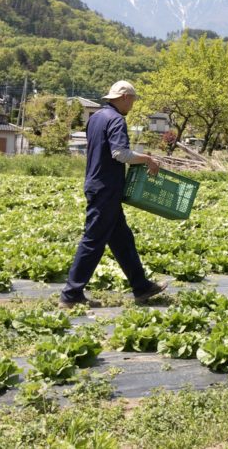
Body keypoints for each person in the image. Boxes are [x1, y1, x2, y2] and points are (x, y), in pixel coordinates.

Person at [60, 80, 166, 308]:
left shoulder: (96, 118)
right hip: (106, 187)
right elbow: (120, 153)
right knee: (93, 240)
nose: (133, 105)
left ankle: (141, 287)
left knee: (122, 240)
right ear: (125, 97)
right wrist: (147, 159)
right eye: (133, 100)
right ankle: (71, 294)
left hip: (98, 184)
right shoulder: (116, 119)